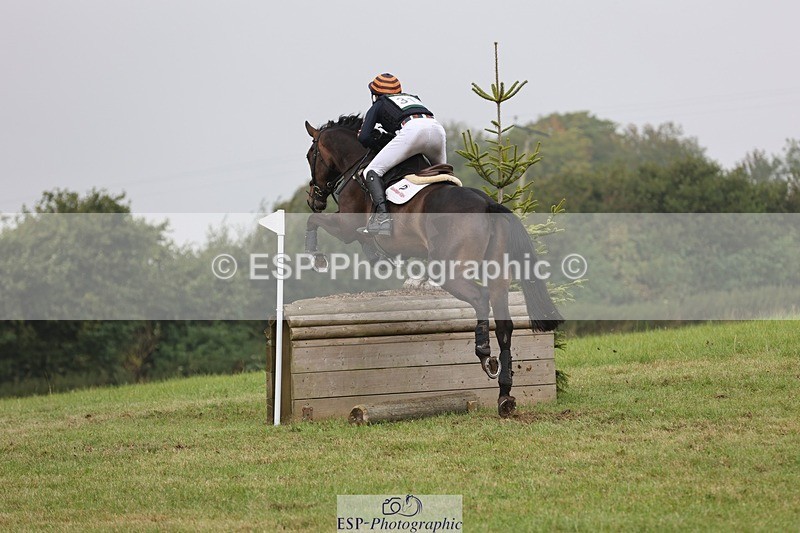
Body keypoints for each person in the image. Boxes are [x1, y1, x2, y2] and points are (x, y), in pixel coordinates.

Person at [357, 73, 447, 235]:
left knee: (371, 172)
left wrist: (378, 144)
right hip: (437, 130)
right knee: (444, 175)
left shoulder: (379, 104)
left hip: (412, 132)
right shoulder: (414, 98)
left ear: (375, 94)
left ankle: (383, 219)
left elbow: (364, 137)